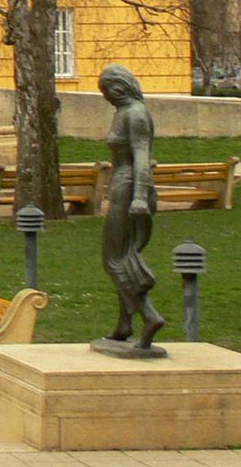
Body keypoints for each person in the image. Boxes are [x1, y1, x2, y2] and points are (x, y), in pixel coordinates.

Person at [98, 64, 166, 352]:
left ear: (121, 86)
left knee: (115, 259)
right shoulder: (123, 112)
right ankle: (124, 325)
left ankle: (149, 316)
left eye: (108, 91)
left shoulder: (135, 114)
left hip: (129, 189)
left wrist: (139, 196)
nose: (106, 98)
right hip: (122, 187)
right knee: (122, 256)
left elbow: (142, 157)